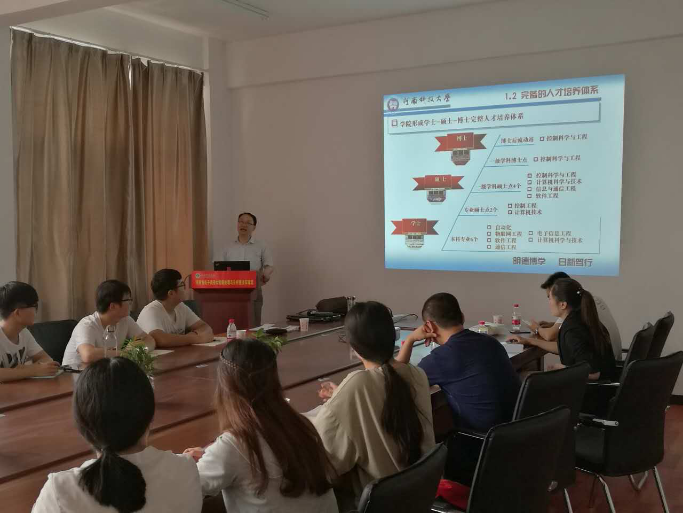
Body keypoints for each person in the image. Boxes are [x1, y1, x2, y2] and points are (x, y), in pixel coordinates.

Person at [183, 338, 338, 513]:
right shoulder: (301, 425)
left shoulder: (233, 445)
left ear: (224, 385)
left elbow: (182, 490)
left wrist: (185, 462)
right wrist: (213, 455)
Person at [32, 357, 202, 513]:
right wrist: (178, 462)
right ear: (150, 417)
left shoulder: (60, 491)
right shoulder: (185, 470)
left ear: (81, 424)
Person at [312, 301, 435, 510]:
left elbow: (322, 463)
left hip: (380, 505)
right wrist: (343, 395)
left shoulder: (357, 385)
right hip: (419, 501)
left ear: (353, 346)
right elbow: (382, 389)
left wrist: (342, 397)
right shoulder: (417, 375)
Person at [397, 292, 521, 433]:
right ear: (462, 317)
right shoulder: (491, 342)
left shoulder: (441, 357)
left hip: (479, 440)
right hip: (515, 433)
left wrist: (410, 339)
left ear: (429, 325)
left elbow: (397, 377)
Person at [509, 278, 616, 381]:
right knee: (524, 376)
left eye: (550, 298)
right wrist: (531, 341)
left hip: (593, 389)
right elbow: (566, 348)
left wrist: (562, 369)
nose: (549, 302)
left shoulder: (573, 330)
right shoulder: (579, 319)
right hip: (598, 384)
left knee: (520, 378)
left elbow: (593, 373)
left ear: (563, 305)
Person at [528, 271, 623, 359]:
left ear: (562, 301)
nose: (549, 302)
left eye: (550, 297)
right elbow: (567, 346)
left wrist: (536, 328)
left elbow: (550, 336)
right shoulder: (586, 302)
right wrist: (550, 325)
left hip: (603, 366)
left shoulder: (572, 315)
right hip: (613, 360)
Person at [62, 280, 154, 368]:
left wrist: (136, 350)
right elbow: (88, 355)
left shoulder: (125, 320)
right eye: (128, 300)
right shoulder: (87, 325)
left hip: (104, 372)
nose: (130, 304)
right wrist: (126, 354)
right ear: (112, 306)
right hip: (75, 375)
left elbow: (149, 340)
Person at [218, 213, 274, 326]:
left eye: (248, 223)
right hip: (230, 291)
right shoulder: (226, 246)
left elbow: (269, 265)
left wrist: (266, 274)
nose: (243, 225)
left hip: (253, 290)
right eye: (241, 221)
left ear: (254, 227)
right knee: (232, 324)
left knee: (253, 324)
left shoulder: (261, 245)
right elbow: (218, 267)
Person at [136, 269, 214, 348]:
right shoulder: (150, 311)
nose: (185, 288)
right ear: (171, 293)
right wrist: (195, 338)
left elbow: (204, 327)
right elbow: (160, 340)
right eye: (182, 285)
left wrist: (191, 338)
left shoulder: (180, 306)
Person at [0, 281, 59, 382]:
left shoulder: (24, 333)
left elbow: (46, 358)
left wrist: (26, 370)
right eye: (34, 306)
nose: (36, 311)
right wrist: (32, 370)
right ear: (18, 313)